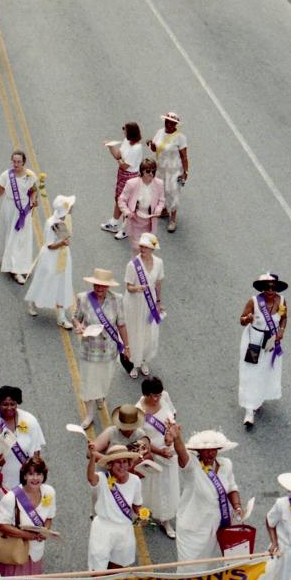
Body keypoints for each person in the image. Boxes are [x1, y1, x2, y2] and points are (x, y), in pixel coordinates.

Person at [170, 428, 242, 562]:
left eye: (215, 449)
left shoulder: (225, 464)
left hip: (213, 528)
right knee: (188, 567)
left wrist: (237, 507)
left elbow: (232, 488)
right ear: (199, 451)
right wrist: (177, 438)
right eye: (207, 450)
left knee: (203, 566)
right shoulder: (192, 466)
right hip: (192, 529)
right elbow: (181, 453)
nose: (211, 453)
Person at [73, 268, 131, 429]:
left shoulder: (117, 300)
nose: (99, 289)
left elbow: (121, 324)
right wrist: (78, 326)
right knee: (89, 382)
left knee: (104, 380)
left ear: (109, 287)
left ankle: (100, 396)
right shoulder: (83, 298)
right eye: (96, 285)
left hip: (108, 350)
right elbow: (76, 318)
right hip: (89, 349)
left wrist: (126, 346)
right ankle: (90, 414)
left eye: (103, 286)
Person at [0, 385, 47, 495]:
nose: (9, 408)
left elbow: (36, 452)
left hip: (21, 483)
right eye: (5, 404)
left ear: (17, 403)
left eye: (13, 404)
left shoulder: (29, 420)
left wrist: (33, 476)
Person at [0, 454, 56, 577]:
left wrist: (45, 531)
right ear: (25, 475)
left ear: (44, 475)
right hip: (15, 550)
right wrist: (29, 536)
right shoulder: (11, 497)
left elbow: (49, 517)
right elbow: (2, 525)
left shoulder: (49, 492)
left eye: (39, 474)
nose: (35, 478)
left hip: (36, 551)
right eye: (31, 474)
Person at [239, 272, 288, 428]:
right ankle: (249, 409)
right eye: (267, 287)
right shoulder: (254, 302)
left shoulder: (282, 301)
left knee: (265, 370)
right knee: (251, 372)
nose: (270, 290)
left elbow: (284, 317)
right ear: (262, 288)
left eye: (273, 287)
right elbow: (242, 319)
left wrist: (281, 330)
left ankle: (258, 398)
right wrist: (248, 319)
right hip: (253, 341)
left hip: (270, 342)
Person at [87, 444, 143, 570]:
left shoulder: (135, 481)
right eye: (118, 462)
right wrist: (92, 458)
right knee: (98, 569)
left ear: (129, 464)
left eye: (125, 462)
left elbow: (137, 506)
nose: (122, 465)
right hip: (103, 528)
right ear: (110, 464)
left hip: (124, 530)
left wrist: (142, 517)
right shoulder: (102, 478)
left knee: (117, 569)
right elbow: (91, 479)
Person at [136, 376, 179, 539]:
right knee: (151, 485)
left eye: (159, 395)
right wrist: (160, 452)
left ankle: (165, 519)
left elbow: (173, 415)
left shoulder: (164, 396)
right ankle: (146, 510)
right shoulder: (139, 411)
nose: (158, 399)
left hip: (169, 450)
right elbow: (140, 439)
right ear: (146, 394)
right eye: (154, 396)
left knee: (167, 485)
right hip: (153, 454)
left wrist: (170, 436)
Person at [0, 150, 38, 283]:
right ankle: (12, 266)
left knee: (21, 238)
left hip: (23, 210)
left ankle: (19, 266)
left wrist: (33, 200)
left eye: (19, 162)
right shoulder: (6, 175)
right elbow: (0, 192)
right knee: (10, 235)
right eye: (14, 161)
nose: (15, 164)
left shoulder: (30, 175)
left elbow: (34, 191)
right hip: (9, 207)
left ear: (23, 163)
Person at [25, 194, 75, 327]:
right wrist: (62, 243)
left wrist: (64, 243)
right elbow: (49, 245)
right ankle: (32, 302)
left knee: (62, 284)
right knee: (44, 281)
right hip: (52, 257)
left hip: (63, 256)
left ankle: (61, 317)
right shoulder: (52, 223)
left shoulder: (65, 219)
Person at [124, 233, 164, 378]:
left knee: (149, 332)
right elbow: (128, 287)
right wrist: (137, 288)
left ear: (152, 249)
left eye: (145, 247)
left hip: (150, 302)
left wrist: (159, 302)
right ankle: (133, 363)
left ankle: (145, 360)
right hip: (135, 303)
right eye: (141, 246)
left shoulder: (159, 263)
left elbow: (158, 283)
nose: (142, 249)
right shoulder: (133, 265)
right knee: (135, 331)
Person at [102, 121, 143, 240]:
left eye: (124, 129)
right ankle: (114, 223)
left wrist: (119, 161)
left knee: (126, 203)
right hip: (122, 175)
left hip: (130, 177)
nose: (123, 131)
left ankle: (126, 229)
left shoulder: (136, 148)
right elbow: (118, 155)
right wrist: (110, 146)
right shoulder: (126, 141)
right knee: (118, 199)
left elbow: (125, 165)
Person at [148, 112, 188, 233]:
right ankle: (164, 210)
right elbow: (155, 148)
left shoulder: (180, 138)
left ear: (176, 124)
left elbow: (184, 156)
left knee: (173, 191)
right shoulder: (160, 132)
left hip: (174, 170)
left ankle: (173, 219)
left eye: (171, 123)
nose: (168, 124)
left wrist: (185, 172)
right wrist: (151, 144)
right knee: (161, 189)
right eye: (167, 122)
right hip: (161, 168)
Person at [118, 158, 165, 249]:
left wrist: (158, 210)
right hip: (135, 222)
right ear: (142, 172)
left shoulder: (159, 183)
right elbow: (122, 200)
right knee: (138, 249)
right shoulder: (132, 183)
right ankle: (135, 263)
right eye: (148, 171)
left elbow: (161, 200)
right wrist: (127, 212)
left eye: (154, 171)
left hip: (150, 223)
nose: (151, 174)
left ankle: (147, 262)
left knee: (150, 249)